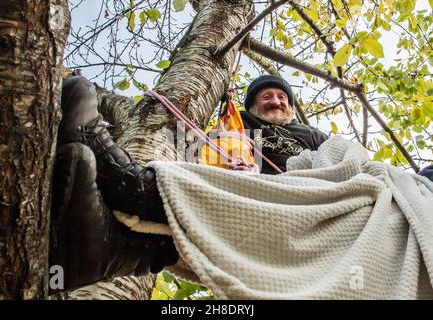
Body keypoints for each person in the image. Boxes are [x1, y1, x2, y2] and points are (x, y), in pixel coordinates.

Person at [49, 75, 329, 292]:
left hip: (296, 199)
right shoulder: (241, 123)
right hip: (247, 189)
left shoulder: (311, 134)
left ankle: (129, 185)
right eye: (267, 96)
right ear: (253, 105)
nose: (276, 101)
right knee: (203, 211)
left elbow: (338, 163)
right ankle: (99, 253)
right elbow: (203, 152)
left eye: (282, 97)